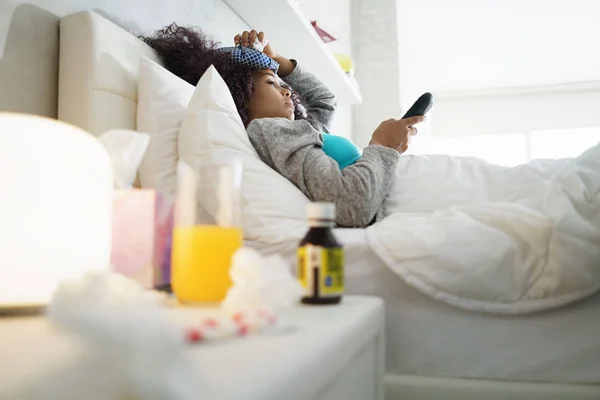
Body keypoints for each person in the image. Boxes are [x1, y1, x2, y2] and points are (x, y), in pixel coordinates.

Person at [142, 26, 424, 227]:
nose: (287, 91)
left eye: (283, 84)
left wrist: (280, 65)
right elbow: (352, 204)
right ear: (240, 96)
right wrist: (383, 146)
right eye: (271, 83)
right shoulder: (273, 130)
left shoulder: (297, 128)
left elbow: (324, 101)